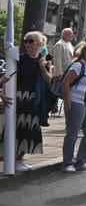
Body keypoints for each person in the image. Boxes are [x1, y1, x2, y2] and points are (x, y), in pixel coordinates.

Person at [3, 32, 53, 172]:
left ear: (39, 43)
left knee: (31, 128)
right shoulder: (20, 59)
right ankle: (13, 160)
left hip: (35, 98)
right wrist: (3, 93)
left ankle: (19, 158)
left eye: (30, 41)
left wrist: (42, 66)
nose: (27, 44)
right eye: (25, 41)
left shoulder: (43, 59)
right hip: (20, 96)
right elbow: (8, 76)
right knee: (18, 128)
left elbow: (49, 80)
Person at [60, 43, 86, 173]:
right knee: (73, 133)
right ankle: (68, 162)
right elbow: (66, 82)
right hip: (76, 101)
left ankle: (81, 161)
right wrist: (67, 101)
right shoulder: (78, 65)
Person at [51, 28, 75, 96]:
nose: (72, 35)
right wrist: (60, 73)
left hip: (67, 72)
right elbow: (57, 59)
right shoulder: (59, 44)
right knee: (56, 92)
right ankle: (53, 106)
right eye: (71, 34)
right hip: (60, 74)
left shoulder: (69, 44)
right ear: (65, 34)